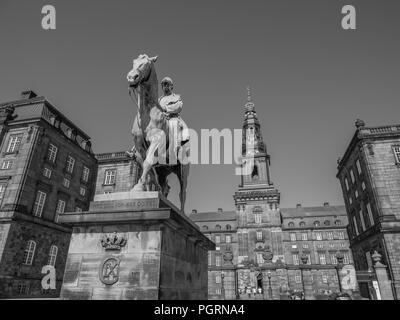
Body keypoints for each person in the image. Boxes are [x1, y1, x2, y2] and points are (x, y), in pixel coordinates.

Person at [159, 77, 189, 160]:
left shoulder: (176, 97)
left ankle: (175, 149)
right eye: (163, 84)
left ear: (171, 86)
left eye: (166, 84)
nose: (165, 86)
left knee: (174, 124)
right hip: (160, 118)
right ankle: (136, 151)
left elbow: (179, 107)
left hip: (172, 117)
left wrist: (166, 108)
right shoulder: (159, 100)